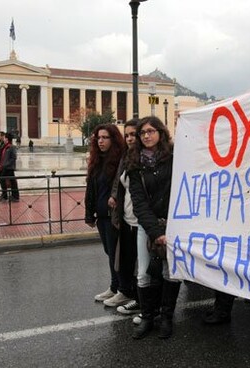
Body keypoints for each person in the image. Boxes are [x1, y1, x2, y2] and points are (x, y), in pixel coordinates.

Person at [127, 116, 181, 339]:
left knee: (172, 273)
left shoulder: (176, 158)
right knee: (143, 274)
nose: (146, 136)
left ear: (161, 132)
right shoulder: (135, 165)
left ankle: (166, 317)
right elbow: (138, 202)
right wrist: (155, 232)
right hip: (147, 226)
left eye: (151, 131)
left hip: (174, 224)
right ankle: (148, 316)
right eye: (143, 133)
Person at [85, 124, 128, 305]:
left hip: (114, 215)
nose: (100, 141)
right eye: (98, 138)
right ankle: (115, 287)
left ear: (114, 139)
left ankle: (119, 288)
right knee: (108, 252)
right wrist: (89, 213)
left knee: (114, 253)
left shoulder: (119, 160)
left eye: (104, 138)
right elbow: (91, 189)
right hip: (101, 214)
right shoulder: (96, 160)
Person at [106, 119, 140, 311]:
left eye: (133, 134)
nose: (129, 138)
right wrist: (114, 196)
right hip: (126, 217)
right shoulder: (126, 157)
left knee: (140, 264)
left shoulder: (145, 158)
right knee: (126, 260)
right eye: (126, 135)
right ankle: (128, 292)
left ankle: (141, 300)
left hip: (141, 220)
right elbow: (119, 182)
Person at [0, 132, 20, 202]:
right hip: (5, 167)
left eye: (4, 138)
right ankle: (12, 196)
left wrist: (6, 164)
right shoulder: (5, 146)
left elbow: (14, 157)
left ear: (6, 139)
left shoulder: (11, 147)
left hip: (9, 168)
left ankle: (8, 196)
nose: (3, 139)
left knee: (6, 180)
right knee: (11, 181)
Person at [0, 131, 7, 202]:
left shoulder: (4, 144)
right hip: (1, 165)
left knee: (1, 178)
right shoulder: (1, 144)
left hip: (4, 165)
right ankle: (4, 193)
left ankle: (4, 195)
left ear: (3, 136)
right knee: (0, 178)